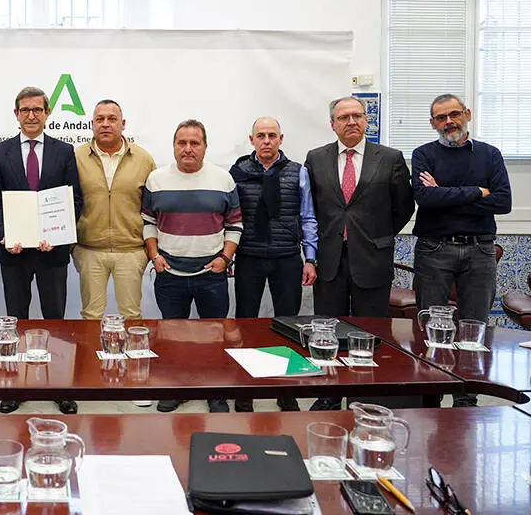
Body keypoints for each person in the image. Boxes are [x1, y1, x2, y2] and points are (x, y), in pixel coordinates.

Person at [305, 96, 414, 411]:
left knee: (370, 331)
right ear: (333, 124)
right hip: (329, 260)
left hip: (373, 258)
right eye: (343, 117)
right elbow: (310, 207)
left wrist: (376, 236)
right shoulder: (316, 158)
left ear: (367, 120)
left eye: (357, 116)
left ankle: (365, 396)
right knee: (328, 331)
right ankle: (329, 395)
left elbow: (404, 206)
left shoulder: (390, 158)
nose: (351, 122)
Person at [0, 86, 82, 415]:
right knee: (16, 321)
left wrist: (59, 234)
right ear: (16, 114)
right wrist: (5, 234)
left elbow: (74, 199)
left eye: (37, 110)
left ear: (47, 113)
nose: (31, 115)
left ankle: (59, 386)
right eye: (25, 110)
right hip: (14, 252)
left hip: (52, 252)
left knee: (55, 321)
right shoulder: (0, 152)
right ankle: (16, 386)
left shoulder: (64, 151)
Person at [411, 94, 511, 407]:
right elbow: (425, 199)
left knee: (474, 328)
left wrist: (444, 194)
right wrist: (477, 192)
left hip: (480, 249)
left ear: (467, 114)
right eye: (441, 118)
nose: (449, 122)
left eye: (454, 114)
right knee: (430, 326)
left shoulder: (489, 154)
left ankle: (466, 398)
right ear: (432, 123)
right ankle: (430, 395)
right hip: (434, 249)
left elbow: (503, 202)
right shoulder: (423, 154)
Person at [142, 119, 242, 413]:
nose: (188, 149)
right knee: (173, 336)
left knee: (214, 335)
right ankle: (178, 387)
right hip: (169, 273)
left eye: (194, 143)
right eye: (182, 143)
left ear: (205, 147)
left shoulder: (223, 179)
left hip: (211, 273)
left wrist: (225, 259)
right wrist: (154, 256)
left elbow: (235, 224)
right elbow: (148, 222)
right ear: (174, 146)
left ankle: (215, 391)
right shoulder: (156, 180)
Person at [229, 116, 318, 412]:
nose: (266, 141)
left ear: (281, 139)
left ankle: (285, 390)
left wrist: (310, 258)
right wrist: (228, 254)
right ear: (251, 139)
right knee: (246, 324)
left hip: (286, 258)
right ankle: (245, 390)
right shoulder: (238, 172)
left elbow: (308, 217)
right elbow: (230, 217)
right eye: (261, 135)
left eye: (272, 135)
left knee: (288, 325)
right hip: (249, 256)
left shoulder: (298, 172)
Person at [74, 100, 156, 321]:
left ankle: (132, 348)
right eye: (99, 119)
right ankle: (91, 348)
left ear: (123, 124)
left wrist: (149, 248)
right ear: (92, 124)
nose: (105, 124)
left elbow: (153, 208)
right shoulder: (76, 157)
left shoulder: (143, 159)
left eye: (112, 119)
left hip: (131, 250)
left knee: (131, 316)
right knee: (91, 317)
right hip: (89, 250)